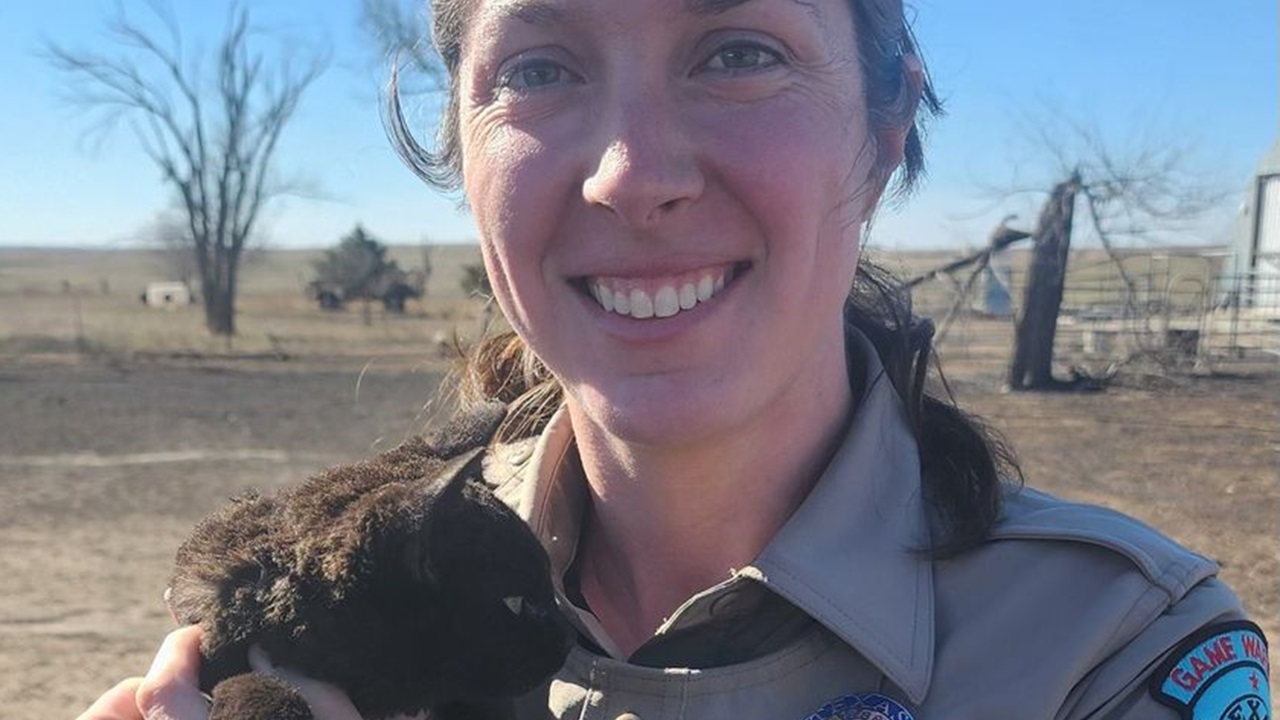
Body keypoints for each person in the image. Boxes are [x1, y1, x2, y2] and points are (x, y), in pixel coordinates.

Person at [80, 1, 1271, 719]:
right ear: (458, 139)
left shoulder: (1108, 652)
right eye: (540, 68)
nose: (630, 172)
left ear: (886, 127)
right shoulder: (338, 590)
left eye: (736, 50)